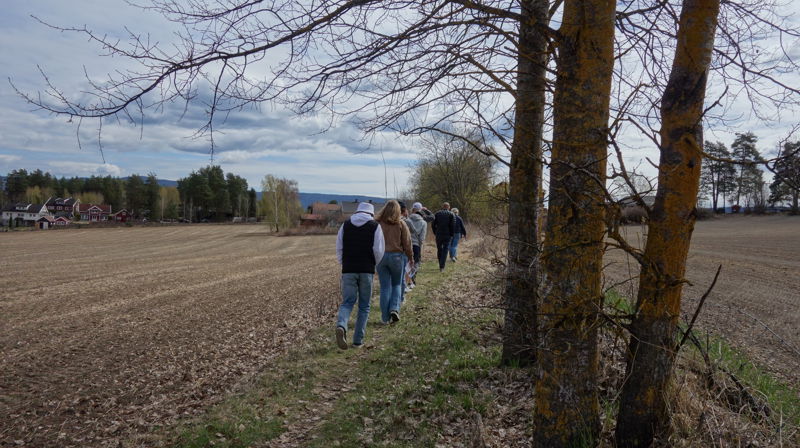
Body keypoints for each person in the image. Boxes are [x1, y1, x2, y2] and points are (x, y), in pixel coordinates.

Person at [335, 202, 385, 349]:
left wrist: (343, 262)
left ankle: (342, 325)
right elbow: (379, 250)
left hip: (348, 269)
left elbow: (339, 247)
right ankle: (358, 341)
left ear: (357, 211)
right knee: (364, 306)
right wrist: (373, 264)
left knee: (347, 302)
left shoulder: (346, 225)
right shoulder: (375, 226)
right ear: (371, 213)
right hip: (366, 269)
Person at [375, 200, 414, 323]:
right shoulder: (401, 224)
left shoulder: (377, 224)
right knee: (397, 284)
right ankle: (394, 309)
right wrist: (411, 257)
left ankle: (385, 318)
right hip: (397, 257)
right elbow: (407, 243)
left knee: (385, 287)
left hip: (381, 257)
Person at [406, 202, 429, 283]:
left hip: (406, 245)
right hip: (416, 245)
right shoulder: (423, 223)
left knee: (406, 263)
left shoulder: (406, 220)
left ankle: (406, 280)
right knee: (416, 262)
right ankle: (412, 279)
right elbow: (422, 237)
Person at [432, 202, 456, 272]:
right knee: (445, 250)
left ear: (443, 207)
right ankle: (442, 266)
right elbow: (453, 226)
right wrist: (452, 234)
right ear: (449, 207)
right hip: (447, 235)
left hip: (439, 234)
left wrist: (435, 232)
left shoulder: (437, 213)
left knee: (439, 249)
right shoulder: (452, 214)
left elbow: (433, 224)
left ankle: (440, 264)